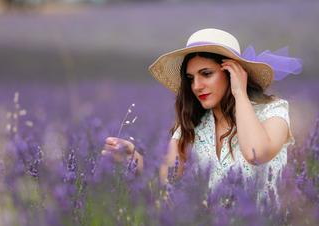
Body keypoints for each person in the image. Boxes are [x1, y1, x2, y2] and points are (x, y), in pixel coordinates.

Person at [102, 28, 302, 204]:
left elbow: (256, 154)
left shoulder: (273, 111)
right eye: (191, 78)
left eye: (206, 74)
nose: (196, 86)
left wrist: (240, 93)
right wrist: (133, 160)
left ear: (233, 73)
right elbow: (166, 181)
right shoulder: (190, 128)